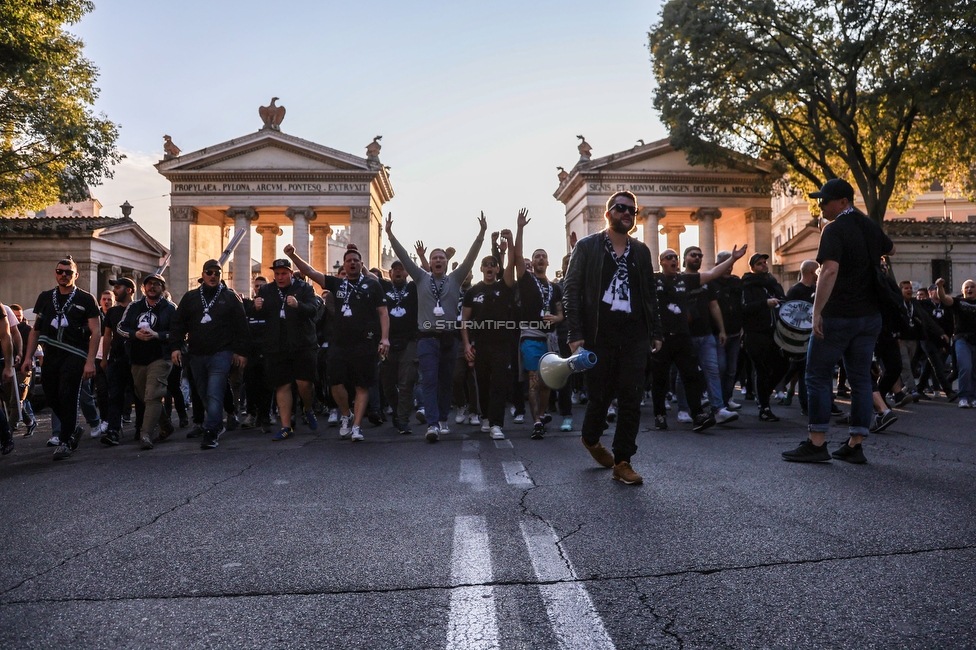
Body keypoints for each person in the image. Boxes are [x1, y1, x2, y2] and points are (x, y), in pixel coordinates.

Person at [783, 178, 893, 464]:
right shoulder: (867, 224)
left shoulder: (834, 229)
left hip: (839, 315)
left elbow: (829, 271)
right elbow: (890, 249)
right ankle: (855, 443)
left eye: (825, 200)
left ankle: (816, 442)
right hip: (870, 316)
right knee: (859, 378)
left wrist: (817, 311)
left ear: (843, 202)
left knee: (817, 375)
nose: (820, 206)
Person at [564, 191, 670, 485]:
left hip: (634, 336)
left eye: (632, 211)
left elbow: (650, 295)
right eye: (621, 208)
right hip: (599, 337)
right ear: (608, 213)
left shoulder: (641, 251)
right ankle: (590, 438)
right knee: (600, 398)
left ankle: (623, 461)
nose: (627, 213)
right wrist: (575, 334)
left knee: (631, 398)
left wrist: (656, 332)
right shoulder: (587, 247)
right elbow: (571, 290)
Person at [386, 212, 487, 442]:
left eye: (441, 258)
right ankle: (432, 424)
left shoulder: (455, 278)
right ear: (430, 263)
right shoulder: (421, 277)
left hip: (449, 340)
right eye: (434, 258)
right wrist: (390, 235)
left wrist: (481, 235)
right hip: (426, 339)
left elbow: (471, 258)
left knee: (446, 382)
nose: (438, 261)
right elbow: (404, 257)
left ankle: (442, 419)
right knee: (429, 380)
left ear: (446, 262)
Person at [285, 245, 389, 441]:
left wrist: (384, 338)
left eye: (356, 260)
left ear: (361, 264)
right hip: (340, 343)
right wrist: (293, 255)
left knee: (362, 386)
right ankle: (345, 415)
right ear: (344, 264)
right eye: (348, 260)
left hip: (365, 342)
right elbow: (310, 272)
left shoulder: (372, 285)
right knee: (336, 383)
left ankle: (357, 426)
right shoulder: (337, 284)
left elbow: (383, 312)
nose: (352, 263)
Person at [21, 256, 101, 460]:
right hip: (51, 353)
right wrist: (28, 357)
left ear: (76, 275)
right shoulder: (46, 297)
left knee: (68, 394)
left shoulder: (86, 299)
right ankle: (72, 428)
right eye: (60, 271)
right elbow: (35, 330)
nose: (63, 275)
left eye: (68, 272)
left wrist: (90, 361)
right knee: (50, 394)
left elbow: (96, 331)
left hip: (75, 354)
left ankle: (65, 441)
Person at [170, 259, 249, 450]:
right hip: (196, 353)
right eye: (209, 272)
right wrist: (176, 347)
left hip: (221, 353)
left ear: (221, 276)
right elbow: (178, 324)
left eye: (217, 273)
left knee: (214, 392)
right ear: (203, 275)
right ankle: (215, 421)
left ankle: (212, 431)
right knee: (204, 392)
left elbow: (242, 326)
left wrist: (241, 352)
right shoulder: (191, 298)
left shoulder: (230, 297)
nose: (213, 276)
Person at [254, 258, 321, 441]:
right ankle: (286, 427)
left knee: (304, 383)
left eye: (284, 273)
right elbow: (255, 312)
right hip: (277, 346)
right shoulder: (267, 290)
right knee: (282, 385)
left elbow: (314, 310)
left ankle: (307, 408)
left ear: (291, 273)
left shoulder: (304, 288)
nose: (280, 277)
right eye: (277, 274)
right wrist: (256, 307)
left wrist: (299, 305)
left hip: (302, 344)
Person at [461, 230, 518, 440]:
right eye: (486, 264)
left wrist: (511, 240)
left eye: (493, 265)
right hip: (480, 345)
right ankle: (485, 416)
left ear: (497, 269)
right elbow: (464, 321)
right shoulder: (472, 292)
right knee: (483, 384)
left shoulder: (505, 287)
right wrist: (467, 345)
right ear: (481, 269)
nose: (489, 268)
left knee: (499, 384)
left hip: (502, 345)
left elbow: (512, 263)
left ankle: (496, 424)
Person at [513, 209, 564, 439]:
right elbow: (516, 256)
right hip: (531, 337)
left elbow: (561, 314)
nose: (540, 259)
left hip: (550, 340)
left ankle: (542, 415)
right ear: (532, 263)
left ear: (548, 261)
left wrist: (557, 318)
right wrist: (520, 228)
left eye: (543, 256)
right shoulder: (526, 280)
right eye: (537, 256)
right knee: (534, 378)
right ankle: (535, 421)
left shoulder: (556, 287)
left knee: (546, 382)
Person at [673, 245, 738, 425]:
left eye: (700, 256)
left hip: (707, 334)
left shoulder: (706, 282)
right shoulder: (679, 280)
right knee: (684, 373)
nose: (698, 258)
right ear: (685, 258)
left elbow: (714, 305)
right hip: (686, 335)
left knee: (713, 371)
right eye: (694, 255)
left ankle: (718, 409)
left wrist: (722, 330)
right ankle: (683, 409)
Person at [116, 275, 176, 449]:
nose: (152, 287)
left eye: (157, 285)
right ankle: (166, 425)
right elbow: (120, 327)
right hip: (137, 358)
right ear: (143, 288)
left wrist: (159, 335)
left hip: (161, 358)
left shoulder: (170, 308)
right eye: (149, 284)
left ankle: (146, 434)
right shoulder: (134, 306)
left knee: (153, 395)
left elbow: (179, 333)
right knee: (144, 395)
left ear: (162, 289)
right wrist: (135, 334)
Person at [741, 252, 792, 421]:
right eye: (759, 264)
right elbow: (745, 308)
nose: (764, 265)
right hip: (756, 333)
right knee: (761, 369)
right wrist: (765, 303)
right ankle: (764, 406)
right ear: (752, 268)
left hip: (775, 333)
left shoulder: (774, 284)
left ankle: (764, 393)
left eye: (765, 263)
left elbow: (784, 302)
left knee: (783, 365)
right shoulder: (747, 285)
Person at [379, 260, 419, 435]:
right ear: (390, 274)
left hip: (409, 342)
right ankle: (397, 411)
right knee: (387, 384)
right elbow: (368, 276)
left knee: (406, 383)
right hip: (387, 342)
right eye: (395, 270)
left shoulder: (413, 288)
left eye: (401, 270)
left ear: (406, 273)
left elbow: (427, 275)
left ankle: (403, 420)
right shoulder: (383, 288)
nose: (398, 272)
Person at [709, 251, 744, 412]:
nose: (729, 267)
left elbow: (742, 306)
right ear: (717, 265)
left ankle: (726, 399)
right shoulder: (711, 283)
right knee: (720, 368)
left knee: (731, 370)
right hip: (717, 334)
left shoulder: (737, 282)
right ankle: (717, 401)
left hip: (736, 333)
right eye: (726, 264)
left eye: (731, 264)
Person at [936, 278, 976, 408]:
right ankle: (964, 397)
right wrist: (940, 287)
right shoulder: (958, 302)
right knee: (965, 367)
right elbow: (944, 298)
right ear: (962, 290)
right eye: (967, 287)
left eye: (972, 287)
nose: (969, 289)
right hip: (962, 339)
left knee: (974, 370)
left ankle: (973, 397)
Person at [8, 304, 37, 437]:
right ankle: (30, 421)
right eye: (15, 316)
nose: (18, 319)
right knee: (12, 400)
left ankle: (9, 430)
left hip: (23, 369)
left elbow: (36, 349)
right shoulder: (5, 329)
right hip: (10, 368)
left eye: (19, 316)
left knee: (17, 400)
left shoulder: (27, 330)